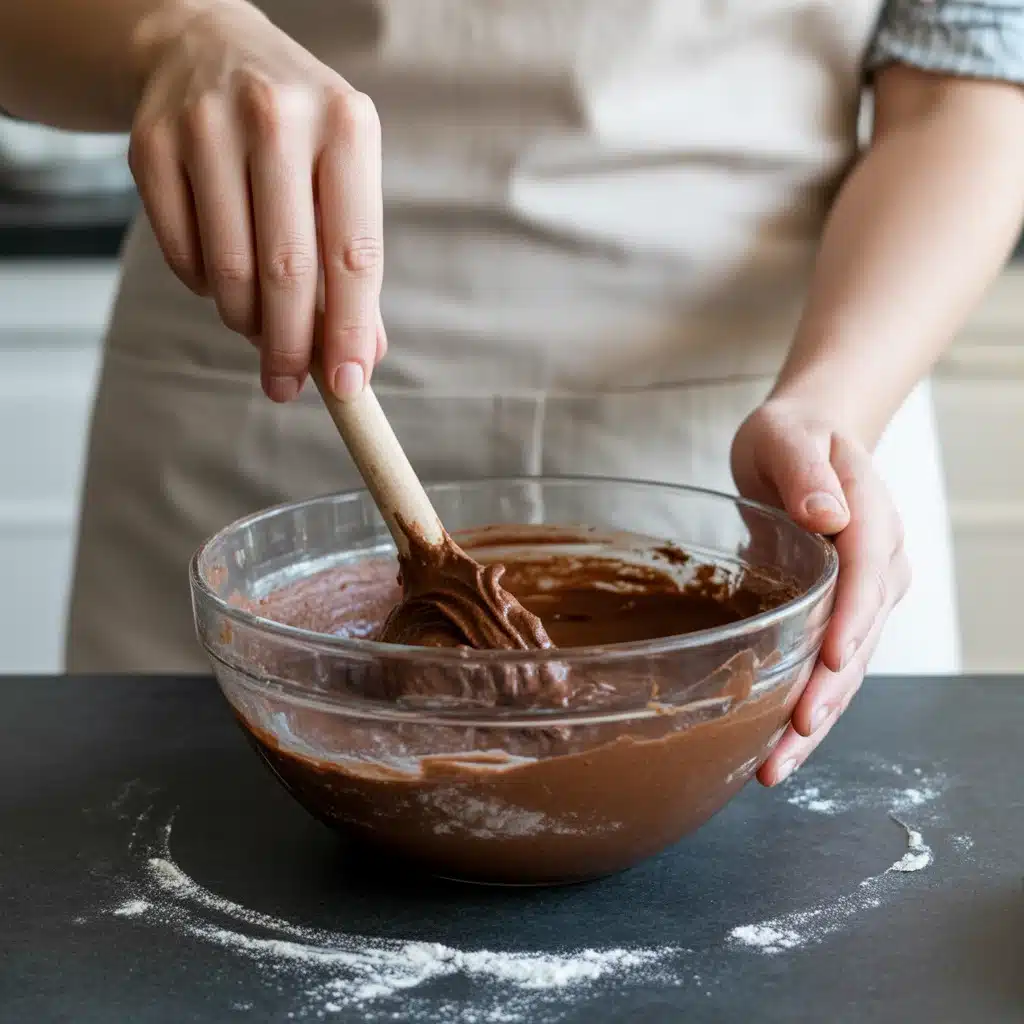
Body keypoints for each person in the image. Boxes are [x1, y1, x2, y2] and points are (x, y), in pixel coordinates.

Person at [2, 1, 1022, 787]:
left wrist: (830, 405)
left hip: (768, 421)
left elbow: (971, 77)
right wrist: (169, 32)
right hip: (254, 400)